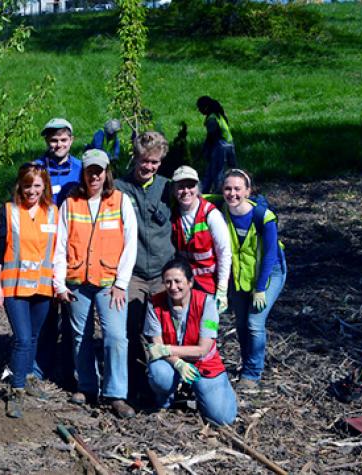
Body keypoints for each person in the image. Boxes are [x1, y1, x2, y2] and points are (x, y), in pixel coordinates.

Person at [54, 149, 138, 419]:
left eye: (99, 171)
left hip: (109, 283)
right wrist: (59, 283)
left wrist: (122, 283)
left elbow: (130, 244)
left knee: (115, 337)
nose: (94, 175)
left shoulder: (120, 201)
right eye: (90, 170)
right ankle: (87, 386)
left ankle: (116, 393)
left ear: (106, 173)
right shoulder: (71, 203)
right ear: (84, 172)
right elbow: (60, 245)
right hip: (77, 281)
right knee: (81, 337)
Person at [0, 163, 58, 418]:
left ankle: (27, 376)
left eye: (37, 186)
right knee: (21, 337)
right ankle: (15, 390)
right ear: (20, 184)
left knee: (33, 338)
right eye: (27, 185)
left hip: (42, 286)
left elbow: (57, 251)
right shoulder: (8, 212)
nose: (32, 191)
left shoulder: (53, 212)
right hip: (14, 286)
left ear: (44, 187)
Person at [114, 131, 176, 403]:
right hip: (135, 273)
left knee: (167, 328)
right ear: (135, 158)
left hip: (164, 271)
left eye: (154, 162)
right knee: (130, 327)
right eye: (144, 160)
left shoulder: (168, 187)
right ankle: (134, 384)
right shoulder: (119, 188)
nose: (148, 166)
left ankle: (167, 385)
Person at [144, 258, 237, 425]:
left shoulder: (207, 303)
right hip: (171, 363)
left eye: (178, 281)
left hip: (203, 363)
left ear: (190, 282)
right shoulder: (154, 303)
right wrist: (178, 363)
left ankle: (204, 390)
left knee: (223, 418)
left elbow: (202, 349)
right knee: (159, 373)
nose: (173, 287)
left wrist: (166, 350)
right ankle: (166, 399)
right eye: (168, 282)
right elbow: (156, 346)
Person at [219, 169, 287, 389]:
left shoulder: (263, 217)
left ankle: (252, 374)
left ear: (248, 190)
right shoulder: (222, 209)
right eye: (227, 188)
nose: (232, 193)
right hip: (241, 276)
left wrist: (260, 288)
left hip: (269, 274)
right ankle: (247, 363)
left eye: (238, 188)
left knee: (254, 323)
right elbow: (202, 197)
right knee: (240, 324)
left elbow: (269, 256)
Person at [32, 118, 82, 383]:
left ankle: (71, 370)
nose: (59, 144)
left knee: (72, 312)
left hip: (72, 248)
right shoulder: (37, 169)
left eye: (63, 139)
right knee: (44, 312)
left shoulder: (81, 169)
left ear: (71, 140)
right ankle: (40, 368)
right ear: (46, 142)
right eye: (53, 140)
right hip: (42, 247)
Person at [170, 165, 231, 313]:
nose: (186, 191)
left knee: (209, 327)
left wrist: (222, 288)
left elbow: (224, 252)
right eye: (181, 187)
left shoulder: (211, 215)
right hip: (184, 284)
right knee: (187, 327)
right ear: (173, 189)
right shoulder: (173, 214)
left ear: (198, 188)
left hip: (209, 284)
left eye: (190, 186)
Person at [196, 96, 237, 194]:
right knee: (228, 169)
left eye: (200, 108)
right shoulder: (218, 115)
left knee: (217, 172)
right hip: (230, 144)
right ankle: (205, 191)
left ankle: (218, 192)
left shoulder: (212, 119)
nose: (199, 110)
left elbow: (212, 137)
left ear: (205, 107)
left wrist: (206, 151)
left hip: (221, 146)